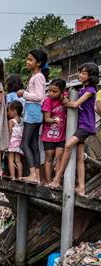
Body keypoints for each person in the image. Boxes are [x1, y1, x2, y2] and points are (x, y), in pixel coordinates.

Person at [49, 63, 99, 196]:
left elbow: (75, 104)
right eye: (80, 72)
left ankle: (57, 178)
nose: (80, 75)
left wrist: (67, 103)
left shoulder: (91, 90)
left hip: (85, 125)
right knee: (79, 158)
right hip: (81, 124)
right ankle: (81, 188)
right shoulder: (82, 88)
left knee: (68, 146)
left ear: (91, 76)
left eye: (84, 73)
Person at [17, 49, 48, 183]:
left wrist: (24, 93)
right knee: (33, 144)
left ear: (39, 63)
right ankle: (37, 176)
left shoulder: (38, 77)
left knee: (24, 144)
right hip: (33, 111)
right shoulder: (35, 76)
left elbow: (39, 96)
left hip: (34, 111)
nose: (27, 62)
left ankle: (33, 174)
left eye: (30, 60)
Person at [41, 79, 67, 184]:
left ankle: (56, 181)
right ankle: (47, 181)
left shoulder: (66, 97)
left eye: (54, 91)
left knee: (59, 156)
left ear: (61, 91)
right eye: (49, 91)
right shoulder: (48, 101)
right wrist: (54, 120)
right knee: (49, 156)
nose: (51, 93)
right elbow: (46, 119)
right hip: (48, 134)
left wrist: (64, 98)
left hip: (61, 134)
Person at [6, 101, 24, 179]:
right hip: (18, 143)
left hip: (11, 143)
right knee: (18, 160)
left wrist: (7, 143)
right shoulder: (22, 120)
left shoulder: (11, 121)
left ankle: (12, 176)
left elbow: (9, 132)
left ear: (14, 111)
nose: (8, 113)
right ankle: (20, 177)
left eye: (9, 111)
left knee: (10, 160)